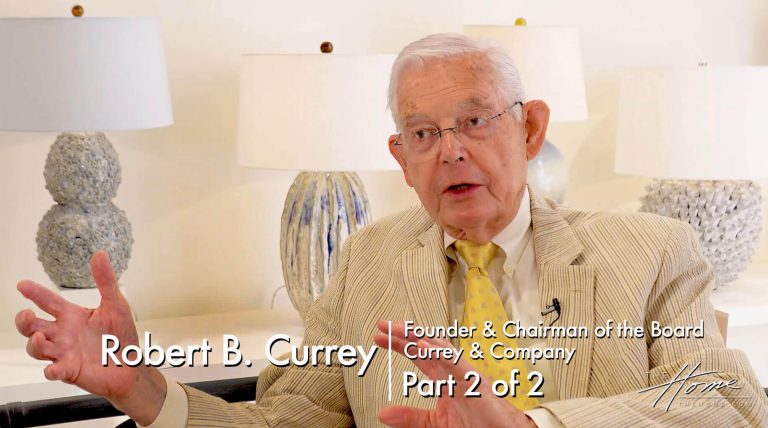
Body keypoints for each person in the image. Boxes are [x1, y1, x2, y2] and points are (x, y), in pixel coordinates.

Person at [14, 33, 768, 427]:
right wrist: (142, 388)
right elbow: (287, 424)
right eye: (422, 132)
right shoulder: (367, 262)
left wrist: (530, 425)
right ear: (400, 159)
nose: (451, 150)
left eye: (473, 120)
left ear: (530, 128)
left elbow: (723, 405)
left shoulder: (651, 249)